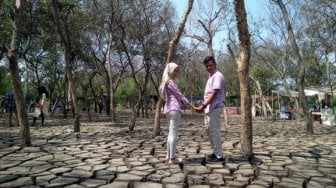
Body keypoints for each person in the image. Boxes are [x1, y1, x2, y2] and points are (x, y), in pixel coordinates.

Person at [159, 62, 194, 164]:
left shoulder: (165, 82)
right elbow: (179, 95)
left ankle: (169, 155)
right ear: (169, 70)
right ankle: (172, 158)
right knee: (173, 134)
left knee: (170, 134)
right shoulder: (170, 83)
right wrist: (191, 106)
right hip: (174, 109)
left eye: (177, 71)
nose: (176, 72)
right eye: (174, 70)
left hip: (168, 109)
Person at [195, 56, 225, 162]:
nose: (209, 67)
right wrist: (203, 103)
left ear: (215, 64)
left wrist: (203, 105)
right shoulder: (210, 77)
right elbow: (208, 95)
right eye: (207, 66)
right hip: (209, 108)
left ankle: (219, 156)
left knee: (214, 131)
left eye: (211, 65)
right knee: (209, 130)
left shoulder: (218, 76)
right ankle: (215, 152)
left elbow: (214, 93)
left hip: (215, 107)